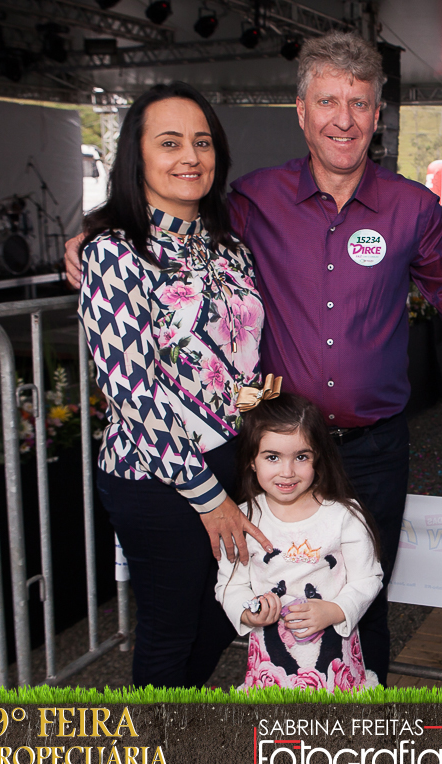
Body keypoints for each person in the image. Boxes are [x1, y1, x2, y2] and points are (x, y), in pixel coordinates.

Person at [69, 32, 442, 685]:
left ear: (378, 114)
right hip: (253, 457)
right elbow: (134, 379)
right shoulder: (252, 202)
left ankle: (358, 741)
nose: (343, 118)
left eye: (359, 103)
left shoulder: (410, 209)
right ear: (300, 112)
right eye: (327, 100)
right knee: (219, 612)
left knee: (358, 602)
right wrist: (92, 233)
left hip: (364, 454)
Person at [79, 82, 273, 688]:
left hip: (230, 456)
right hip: (156, 475)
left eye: (202, 142)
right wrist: (208, 496)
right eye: (170, 143)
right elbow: (133, 393)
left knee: (223, 615)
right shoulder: (112, 253)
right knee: (171, 629)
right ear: (137, 158)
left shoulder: (228, 249)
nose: (190, 156)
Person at [216, 389, 383, 691]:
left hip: (337, 674)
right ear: (252, 461)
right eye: (272, 457)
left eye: (301, 456)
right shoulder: (242, 520)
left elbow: (368, 578)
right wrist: (247, 611)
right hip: (270, 672)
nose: (287, 471)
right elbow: (231, 585)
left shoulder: (344, 516)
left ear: (318, 457)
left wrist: (334, 610)